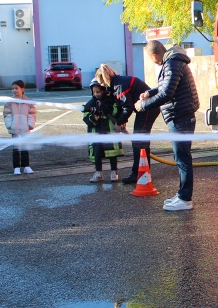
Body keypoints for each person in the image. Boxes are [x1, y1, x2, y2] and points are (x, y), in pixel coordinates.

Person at [138, 41, 199, 211]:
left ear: (153, 55)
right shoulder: (173, 61)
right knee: (181, 158)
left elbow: (167, 93)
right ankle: (182, 195)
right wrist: (150, 92)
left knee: (182, 159)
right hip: (180, 115)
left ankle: (185, 199)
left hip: (180, 116)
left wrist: (143, 105)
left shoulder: (172, 62)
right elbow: (167, 85)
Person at [94, 64, 159, 184]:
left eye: (102, 83)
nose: (102, 86)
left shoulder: (119, 86)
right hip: (147, 108)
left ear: (105, 79)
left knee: (138, 142)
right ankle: (143, 172)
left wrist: (119, 123)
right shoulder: (119, 81)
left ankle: (137, 174)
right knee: (141, 141)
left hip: (148, 108)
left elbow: (127, 107)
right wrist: (122, 121)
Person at [83, 78, 124, 183]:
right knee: (97, 153)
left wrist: (107, 110)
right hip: (96, 133)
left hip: (109, 131)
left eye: (98, 91)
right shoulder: (90, 103)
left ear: (104, 90)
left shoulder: (112, 101)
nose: (96, 94)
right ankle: (98, 173)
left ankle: (114, 172)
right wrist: (93, 119)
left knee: (112, 154)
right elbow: (85, 117)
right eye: (94, 92)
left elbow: (118, 111)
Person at [3, 80, 36, 175]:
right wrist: (10, 125)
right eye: (12, 88)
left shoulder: (28, 102)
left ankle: (26, 166)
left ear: (22, 89)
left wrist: (30, 125)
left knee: (25, 146)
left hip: (25, 128)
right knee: (16, 147)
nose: (14, 90)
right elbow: (7, 114)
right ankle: (16, 167)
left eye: (16, 88)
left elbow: (32, 114)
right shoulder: (10, 102)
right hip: (15, 128)